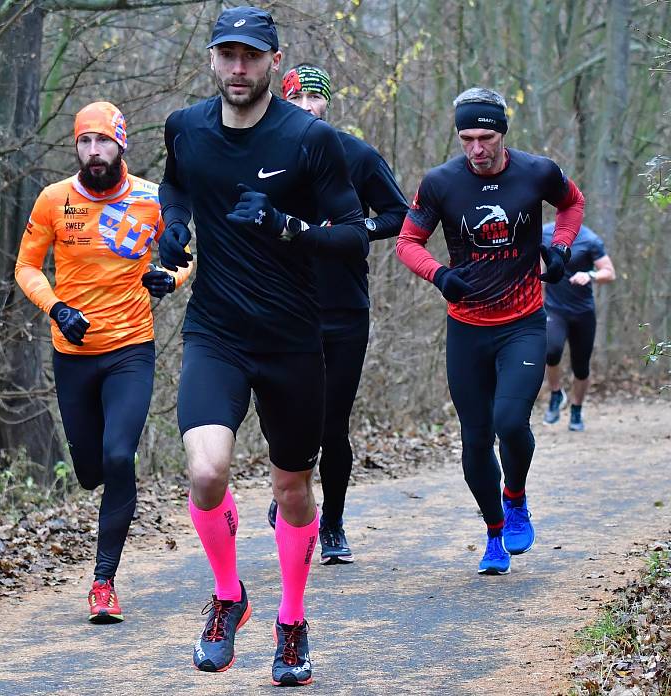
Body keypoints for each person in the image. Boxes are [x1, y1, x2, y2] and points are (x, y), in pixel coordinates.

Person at [158, 6, 368, 686]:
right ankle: (227, 598)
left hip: (291, 339)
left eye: (252, 55)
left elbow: (353, 232)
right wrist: (173, 228)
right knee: (207, 472)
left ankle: (292, 621)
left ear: (275, 62)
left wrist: (286, 226)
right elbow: (176, 184)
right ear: (212, 59)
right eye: (228, 54)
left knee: (291, 486)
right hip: (216, 330)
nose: (238, 67)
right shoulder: (187, 126)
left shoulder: (309, 139)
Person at [396, 87, 584, 575]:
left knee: (509, 423)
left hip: (523, 322)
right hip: (466, 329)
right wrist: (439, 275)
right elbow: (407, 241)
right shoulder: (441, 182)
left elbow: (572, 204)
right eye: (466, 138)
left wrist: (560, 249)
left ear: (503, 133)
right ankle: (495, 533)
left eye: (486, 137)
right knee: (475, 440)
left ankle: (516, 496)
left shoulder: (537, 171)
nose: (476, 149)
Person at [15, 102, 191, 623]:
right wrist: (57, 307)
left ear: (121, 145)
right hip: (72, 352)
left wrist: (170, 278)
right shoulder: (54, 200)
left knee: (119, 458)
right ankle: (97, 481)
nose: (94, 152)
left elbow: (186, 254)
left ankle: (103, 582)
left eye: (103, 142)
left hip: (130, 349)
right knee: (91, 470)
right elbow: (26, 267)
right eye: (85, 143)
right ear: (76, 147)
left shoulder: (151, 198)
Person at [265, 63, 408, 566]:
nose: (306, 109)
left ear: (327, 104)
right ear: (282, 101)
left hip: (345, 306)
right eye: (296, 100)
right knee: (288, 419)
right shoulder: (265, 152)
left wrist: (350, 229)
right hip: (284, 303)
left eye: (314, 100)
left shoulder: (356, 154)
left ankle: (332, 525)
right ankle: (290, 492)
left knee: (333, 423)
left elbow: (398, 214)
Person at [541, 222, 616, 431]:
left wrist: (590, 275)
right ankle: (556, 393)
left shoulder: (590, 239)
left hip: (582, 312)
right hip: (554, 309)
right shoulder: (545, 233)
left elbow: (609, 273)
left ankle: (576, 409)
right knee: (551, 351)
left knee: (581, 367)